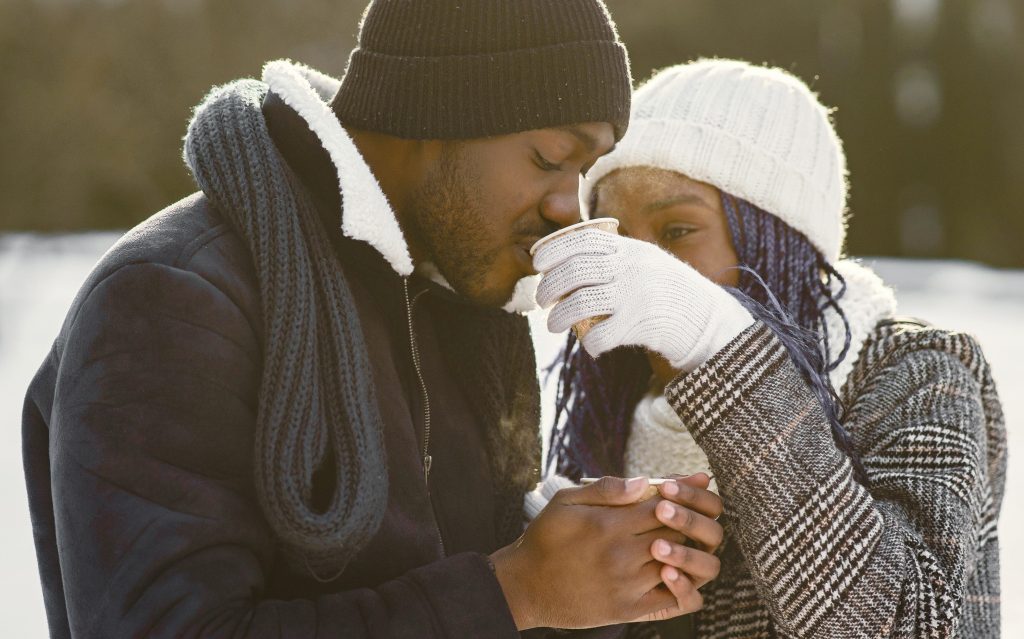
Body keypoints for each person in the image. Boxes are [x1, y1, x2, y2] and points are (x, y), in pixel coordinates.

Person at [21, 3, 726, 637]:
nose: (569, 207)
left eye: (584, 170)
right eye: (548, 158)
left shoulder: (455, 306)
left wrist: (596, 573)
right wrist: (515, 589)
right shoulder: (173, 298)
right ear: (434, 112)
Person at [532, 59, 1006, 638]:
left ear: (777, 240)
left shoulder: (920, 373)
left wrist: (721, 344)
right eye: (618, 238)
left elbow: (906, 626)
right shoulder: (613, 412)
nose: (641, 265)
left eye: (677, 232)